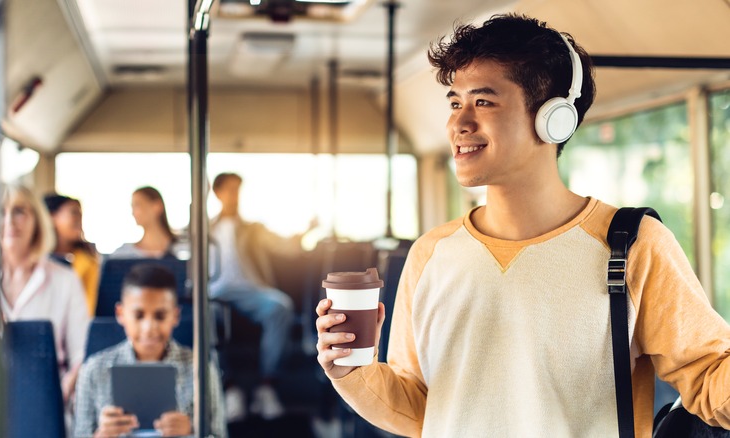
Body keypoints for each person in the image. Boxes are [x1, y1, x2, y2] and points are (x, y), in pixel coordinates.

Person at [315, 14, 730, 437]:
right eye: (456, 102)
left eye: (484, 101)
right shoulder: (430, 253)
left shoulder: (633, 245)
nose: (459, 123)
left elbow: (709, 375)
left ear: (554, 117)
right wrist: (352, 371)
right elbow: (421, 408)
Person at [74, 263, 227, 438]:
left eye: (160, 316)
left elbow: (219, 434)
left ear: (175, 316)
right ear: (121, 314)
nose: (149, 328)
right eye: (139, 316)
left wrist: (192, 432)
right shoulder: (94, 370)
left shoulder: (201, 370)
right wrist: (102, 435)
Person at [209, 172, 313, 421]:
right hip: (214, 293)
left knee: (281, 306)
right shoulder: (204, 229)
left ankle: (267, 385)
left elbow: (285, 246)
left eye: (238, 190)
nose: (235, 196)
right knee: (203, 315)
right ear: (217, 193)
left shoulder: (253, 229)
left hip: (251, 289)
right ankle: (229, 387)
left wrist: (307, 232)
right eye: (230, 190)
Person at [0, 185, 89, 403]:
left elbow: (81, 353)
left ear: (37, 220)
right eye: (1, 212)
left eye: (19, 211)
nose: (10, 220)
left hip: (49, 397)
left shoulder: (65, 279)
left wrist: (62, 392)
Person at [43, 194, 100, 315]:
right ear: (52, 217)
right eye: (74, 213)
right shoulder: (36, 261)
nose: (79, 219)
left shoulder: (89, 263)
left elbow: (87, 311)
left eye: (81, 214)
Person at [110, 186, 178, 259]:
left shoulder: (183, 251)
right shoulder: (122, 255)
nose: (133, 213)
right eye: (132, 207)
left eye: (137, 205)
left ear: (157, 206)